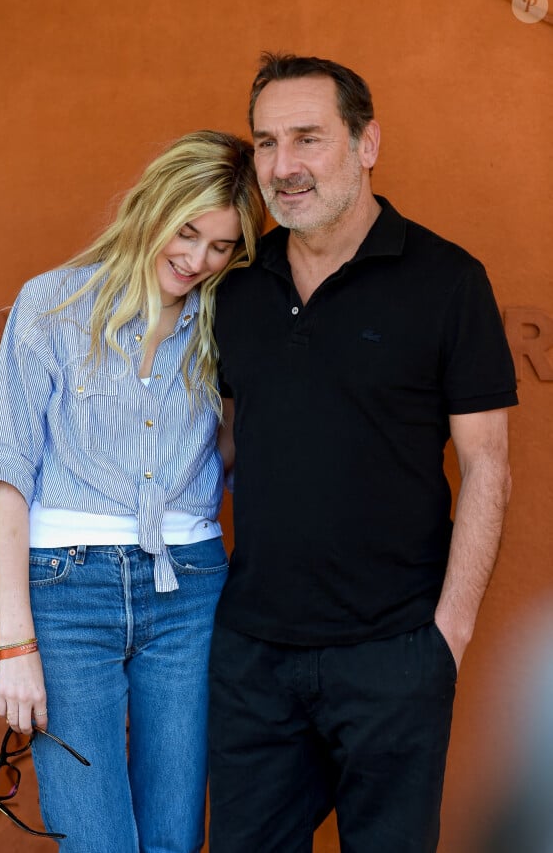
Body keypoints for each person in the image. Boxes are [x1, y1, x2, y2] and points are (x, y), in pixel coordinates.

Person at [208, 53, 518, 853]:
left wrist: (448, 636)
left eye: (308, 138)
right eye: (267, 142)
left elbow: (487, 463)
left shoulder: (449, 281)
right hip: (254, 657)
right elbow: (226, 442)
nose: (283, 166)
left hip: (395, 654)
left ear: (367, 142)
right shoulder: (235, 286)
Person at [0, 129, 266, 852]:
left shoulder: (224, 322)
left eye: (221, 246)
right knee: (97, 840)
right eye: (188, 231)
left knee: (173, 838)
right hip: (67, 594)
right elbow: (8, 475)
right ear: (152, 208)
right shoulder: (52, 306)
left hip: (192, 589)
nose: (197, 259)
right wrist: (17, 645)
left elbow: (234, 452)